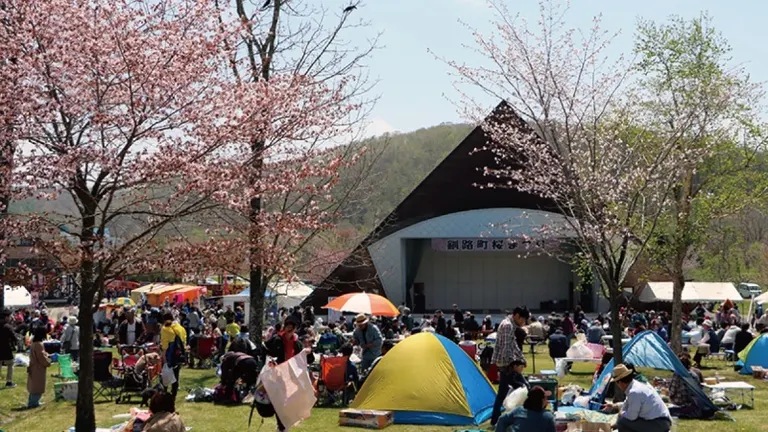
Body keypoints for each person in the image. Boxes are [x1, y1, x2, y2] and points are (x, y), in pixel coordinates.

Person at [264, 315, 315, 432]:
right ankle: (282, 426)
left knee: (290, 402)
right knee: (280, 402)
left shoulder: (297, 342)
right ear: (284, 327)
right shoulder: (276, 339)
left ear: (295, 329)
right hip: (277, 375)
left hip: (291, 376)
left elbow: (308, 359)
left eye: (292, 328)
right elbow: (265, 350)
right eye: (288, 327)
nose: (289, 330)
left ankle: (283, 425)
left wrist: (308, 351)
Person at [603, 364, 671, 432]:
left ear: (620, 383)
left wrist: (621, 413)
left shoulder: (634, 392)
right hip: (660, 422)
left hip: (659, 424)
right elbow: (627, 404)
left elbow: (631, 416)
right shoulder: (635, 386)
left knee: (622, 422)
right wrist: (614, 406)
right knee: (623, 420)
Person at [490, 307, 528, 427]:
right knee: (525, 388)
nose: (523, 323)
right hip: (506, 365)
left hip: (506, 364)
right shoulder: (507, 326)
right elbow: (506, 349)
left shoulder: (510, 325)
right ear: (516, 316)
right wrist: (513, 365)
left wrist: (522, 358)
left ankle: (496, 420)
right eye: (523, 319)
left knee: (503, 393)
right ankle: (523, 417)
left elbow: (514, 345)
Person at [160, 312, 187, 398]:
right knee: (176, 375)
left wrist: (164, 357)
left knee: (165, 374)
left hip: (169, 354)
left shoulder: (165, 328)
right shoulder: (181, 328)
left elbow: (164, 344)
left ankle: (163, 394)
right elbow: (184, 342)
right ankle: (173, 395)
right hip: (179, 355)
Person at [668, 353, 704, 419]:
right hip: (694, 400)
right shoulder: (694, 374)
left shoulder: (678, 374)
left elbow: (672, 391)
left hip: (681, 400)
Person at [27, 327, 51, 408]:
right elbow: (41, 357)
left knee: (33, 385)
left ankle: (32, 401)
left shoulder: (34, 343)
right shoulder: (39, 344)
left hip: (33, 366)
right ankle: (33, 403)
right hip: (38, 367)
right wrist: (48, 362)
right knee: (37, 385)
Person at [0, 312, 16, 387]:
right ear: (6, 317)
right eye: (9, 316)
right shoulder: (7, 326)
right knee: (10, 364)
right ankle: (9, 382)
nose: (10, 318)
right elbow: (14, 337)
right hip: (6, 348)